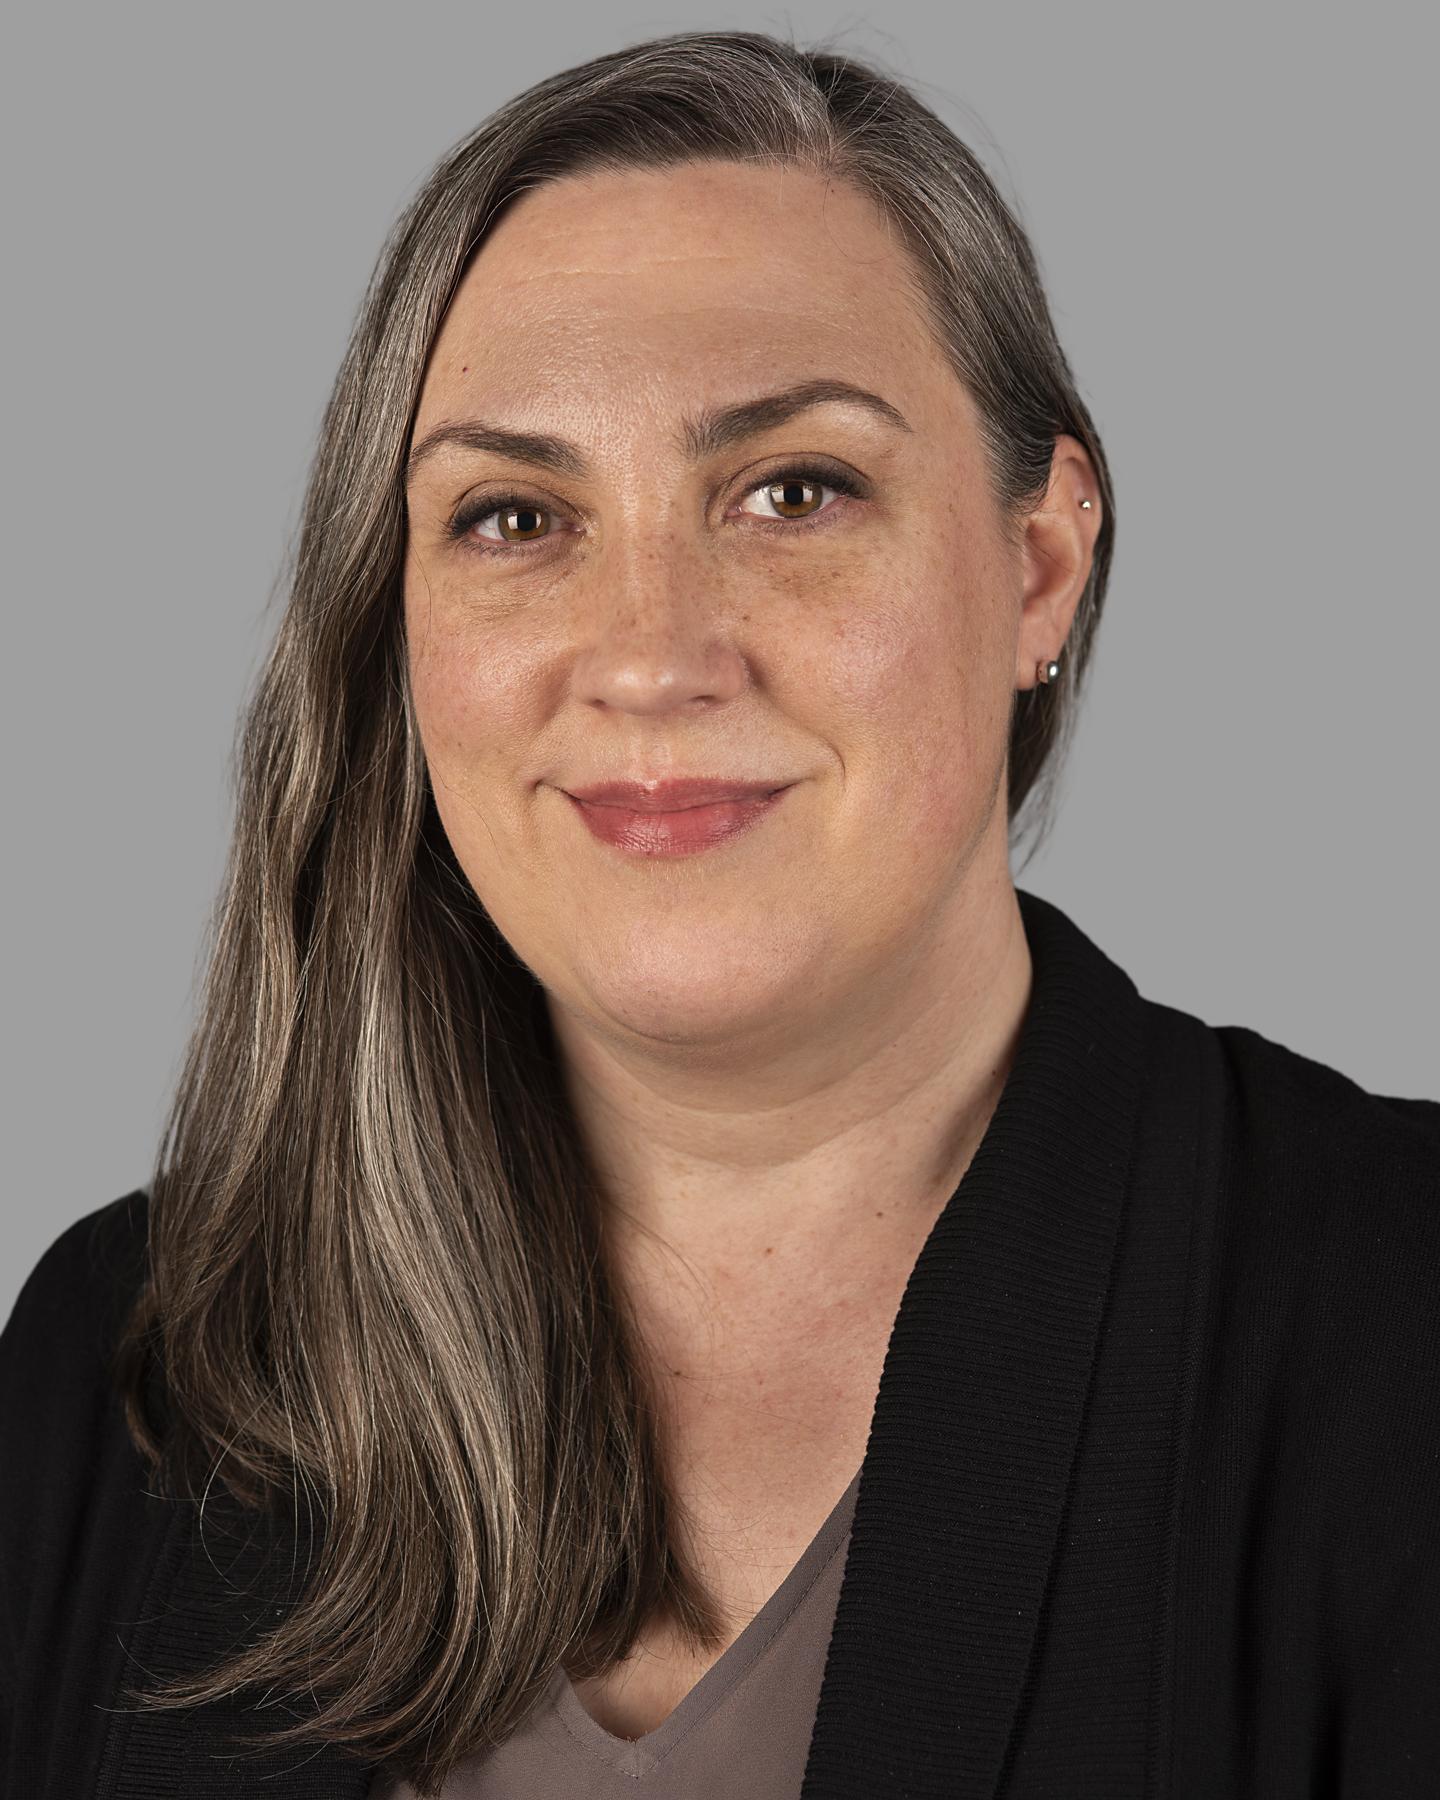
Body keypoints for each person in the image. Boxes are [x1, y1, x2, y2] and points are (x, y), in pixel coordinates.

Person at [2, 26, 1436, 1800]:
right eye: (517, 514)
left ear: (1041, 565)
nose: (653, 654)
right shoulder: (120, 1370)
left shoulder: (1399, 1319)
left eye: (793, 491)